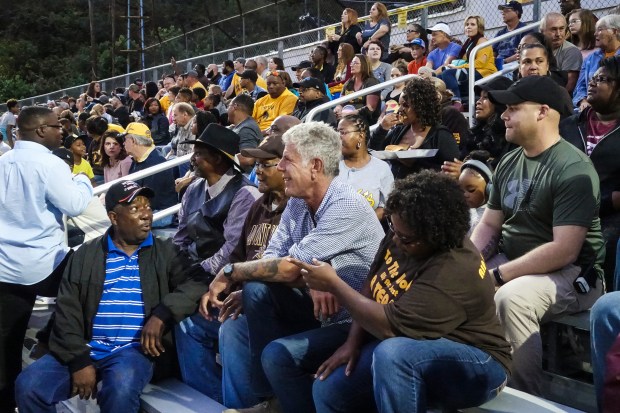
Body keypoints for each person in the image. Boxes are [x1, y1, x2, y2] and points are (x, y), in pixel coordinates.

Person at [290, 170, 511, 413]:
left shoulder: (453, 268)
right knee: (329, 390)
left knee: (393, 354)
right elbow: (373, 285)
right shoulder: (403, 232)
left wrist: (334, 284)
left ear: (434, 235)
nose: (395, 240)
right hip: (415, 344)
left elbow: (389, 328)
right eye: (393, 230)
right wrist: (352, 342)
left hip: (478, 361)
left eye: (405, 238)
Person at [204, 122, 385, 413]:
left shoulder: (346, 205)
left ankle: (274, 404)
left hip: (355, 322)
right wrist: (310, 279)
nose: (282, 167)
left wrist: (230, 272)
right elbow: (273, 256)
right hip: (321, 311)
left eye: (287, 159)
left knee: (277, 353)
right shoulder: (298, 202)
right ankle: (269, 400)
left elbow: (287, 267)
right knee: (253, 294)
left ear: (315, 166)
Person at [15, 180, 208, 413]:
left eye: (148, 207)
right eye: (135, 209)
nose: (146, 215)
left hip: (133, 351)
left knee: (121, 386)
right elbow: (67, 312)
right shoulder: (85, 255)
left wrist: (162, 314)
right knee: (29, 386)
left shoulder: (166, 251)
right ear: (114, 218)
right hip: (86, 345)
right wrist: (79, 360)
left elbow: (197, 281)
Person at [472, 76, 604, 396]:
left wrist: (499, 275)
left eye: (514, 108)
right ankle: (474, 384)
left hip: (574, 275)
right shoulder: (509, 161)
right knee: (456, 282)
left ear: (543, 112)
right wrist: (466, 264)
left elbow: (564, 250)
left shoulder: (573, 168)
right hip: (518, 260)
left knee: (511, 298)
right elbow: (489, 225)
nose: (504, 114)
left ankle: (523, 398)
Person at [175, 128, 289, 408]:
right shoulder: (258, 204)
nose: (257, 171)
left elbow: (231, 257)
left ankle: (241, 403)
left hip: (265, 300)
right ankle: (217, 401)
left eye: (265, 165)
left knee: (229, 326)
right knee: (185, 321)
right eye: (257, 165)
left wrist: (210, 277)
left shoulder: (251, 196)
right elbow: (233, 253)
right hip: (229, 286)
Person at [0, 107, 93, 412]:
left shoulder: (2, 163)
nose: (61, 131)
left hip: (5, 267)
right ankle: (66, 356)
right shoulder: (51, 164)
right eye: (56, 127)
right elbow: (75, 205)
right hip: (45, 264)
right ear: (40, 131)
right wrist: (82, 179)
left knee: (7, 346)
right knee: (87, 286)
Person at [560, 56, 620, 290]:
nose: (592, 83)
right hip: (563, 207)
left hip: (608, 215)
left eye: (602, 79)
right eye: (593, 78)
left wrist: (604, 202)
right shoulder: (568, 125)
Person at [369, 77, 459, 179]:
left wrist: (416, 164)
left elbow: (452, 172)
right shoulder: (398, 131)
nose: (400, 109)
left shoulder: (441, 135)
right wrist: (382, 128)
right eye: (400, 104)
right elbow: (372, 152)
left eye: (405, 105)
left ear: (421, 106)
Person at [337, 114, 393, 220]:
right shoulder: (330, 164)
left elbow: (387, 206)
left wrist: (362, 224)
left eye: (343, 132)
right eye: (337, 132)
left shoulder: (381, 169)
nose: (338, 137)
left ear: (361, 136)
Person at [124, 122, 178, 227]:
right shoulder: (137, 159)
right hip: (147, 209)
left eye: (125, 140)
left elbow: (149, 201)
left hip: (161, 214)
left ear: (133, 141)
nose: (123, 143)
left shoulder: (156, 163)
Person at [439, 16, 497, 105]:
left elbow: (480, 63)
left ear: (479, 27)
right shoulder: (469, 42)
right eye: (467, 24)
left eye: (472, 24)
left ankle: (457, 101)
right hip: (472, 70)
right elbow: (465, 61)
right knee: (440, 76)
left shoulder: (482, 41)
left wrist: (458, 67)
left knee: (448, 73)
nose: (468, 27)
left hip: (484, 72)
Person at [573, 14, 620, 111]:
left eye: (600, 29)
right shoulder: (591, 58)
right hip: (591, 107)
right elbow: (580, 86)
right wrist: (583, 101)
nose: (595, 34)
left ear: (615, 31)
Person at [541, 12, 583, 94]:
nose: (558, 34)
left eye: (561, 29)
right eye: (553, 29)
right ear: (542, 31)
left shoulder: (571, 51)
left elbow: (569, 85)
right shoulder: (537, 48)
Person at [334, 54, 381, 126]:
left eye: (355, 63)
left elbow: (370, 108)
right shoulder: (349, 83)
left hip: (365, 121)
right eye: (351, 63)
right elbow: (341, 102)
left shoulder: (371, 82)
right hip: (347, 119)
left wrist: (349, 114)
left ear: (364, 65)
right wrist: (338, 109)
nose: (351, 65)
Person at [493, 1, 532, 65]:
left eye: (507, 11)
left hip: (514, 65)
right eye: (502, 11)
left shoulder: (525, 30)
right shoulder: (500, 33)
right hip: (499, 65)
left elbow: (524, 52)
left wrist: (504, 61)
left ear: (516, 12)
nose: (503, 13)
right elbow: (493, 51)